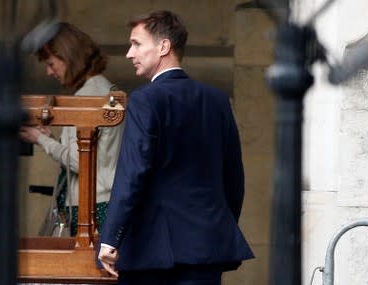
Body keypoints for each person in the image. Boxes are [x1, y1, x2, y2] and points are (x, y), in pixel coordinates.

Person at [98, 10, 254, 284]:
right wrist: (217, 227)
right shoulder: (217, 100)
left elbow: (133, 174)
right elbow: (234, 179)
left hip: (152, 251)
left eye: (136, 44)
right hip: (207, 246)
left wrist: (111, 238)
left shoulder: (145, 100)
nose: (128, 54)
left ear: (164, 47)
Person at [20, 22, 124, 236]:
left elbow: (79, 161)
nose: (49, 72)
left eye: (51, 64)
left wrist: (41, 139)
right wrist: (53, 141)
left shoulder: (86, 97)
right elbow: (97, 155)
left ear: (67, 57)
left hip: (92, 205)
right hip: (109, 200)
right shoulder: (106, 88)